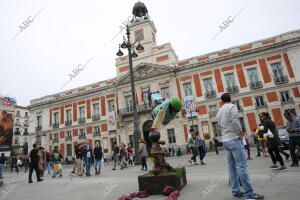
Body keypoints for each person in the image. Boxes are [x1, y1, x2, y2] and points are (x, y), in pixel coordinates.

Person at [217, 93, 264, 200]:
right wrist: (240, 132)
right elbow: (234, 120)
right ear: (230, 99)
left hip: (225, 140)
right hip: (234, 138)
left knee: (231, 168)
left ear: (222, 101)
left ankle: (236, 192)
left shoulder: (219, 111)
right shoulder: (232, 107)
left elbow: (219, 125)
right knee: (242, 166)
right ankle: (249, 193)